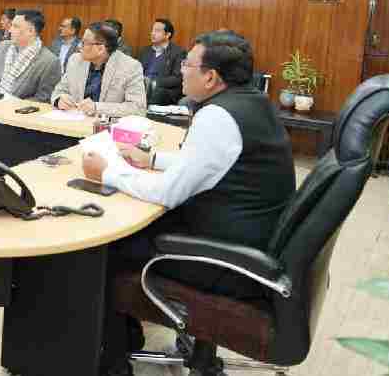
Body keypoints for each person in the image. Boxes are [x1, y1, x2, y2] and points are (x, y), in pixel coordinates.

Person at [82, 30, 295, 376]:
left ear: (211, 77)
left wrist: (107, 172)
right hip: (252, 242)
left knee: (102, 250)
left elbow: (167, 193)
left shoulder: (217, 116)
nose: (181, 70)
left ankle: (113, 362)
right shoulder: (252, 103)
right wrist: (151, 159)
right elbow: (212, 163)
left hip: (222, 258)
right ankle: (128, 337)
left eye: (187, 64)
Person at [51, 22, 146, 118]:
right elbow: (59, 90)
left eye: (84, 43)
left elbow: (138, 108)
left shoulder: (130, 67)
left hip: (107, 124)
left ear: (100, 49)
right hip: (74, 121)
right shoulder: (75, 60)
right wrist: (59, 100)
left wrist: (97, 107)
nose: (79, 46)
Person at [0, 9, 61, 103]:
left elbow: (43, 98)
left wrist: (14, 104)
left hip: (17, 109)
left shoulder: (50, 61)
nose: (10, 30)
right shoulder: (2, 46)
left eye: (15, 26)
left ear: (31, 31)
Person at [138, 18, 186, 105]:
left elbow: (177, 78)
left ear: (167, 35)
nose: (153, 33)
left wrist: (154, 83)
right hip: (143, 86)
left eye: (157, 31)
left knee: (158, 93)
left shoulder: (178, 52)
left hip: (163, 90)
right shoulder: (145, 51)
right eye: (152, 30)